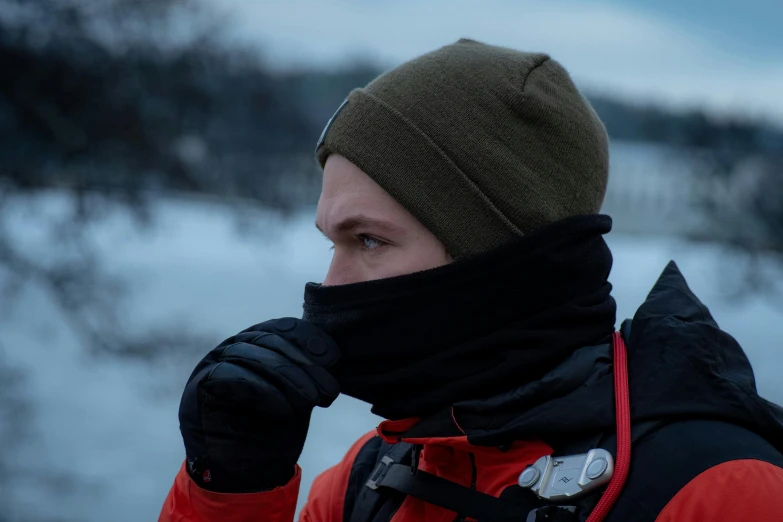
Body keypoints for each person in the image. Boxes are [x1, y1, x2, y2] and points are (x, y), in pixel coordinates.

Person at [159, 39, 783, 522]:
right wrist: (231, 492)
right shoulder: (369, 477)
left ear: (498, 262)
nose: (329, 286)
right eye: (332, 242)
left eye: (368, 240)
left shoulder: (719, 492)